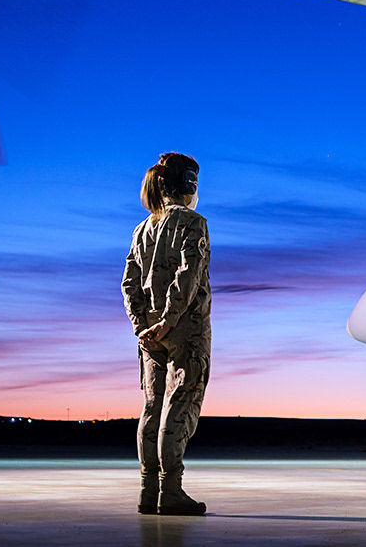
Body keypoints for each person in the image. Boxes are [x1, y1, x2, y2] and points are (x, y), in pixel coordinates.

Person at [121, 152, 212, 516]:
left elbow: (129, 284)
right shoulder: (193, 223)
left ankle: (148, 491)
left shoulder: (142, 230)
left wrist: (142, 326)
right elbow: (188, 276)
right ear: (188, 184)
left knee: (152, 407)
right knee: (180, 405)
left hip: (150, 336)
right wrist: (170, 321)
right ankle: (170, 491)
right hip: (185, 330)